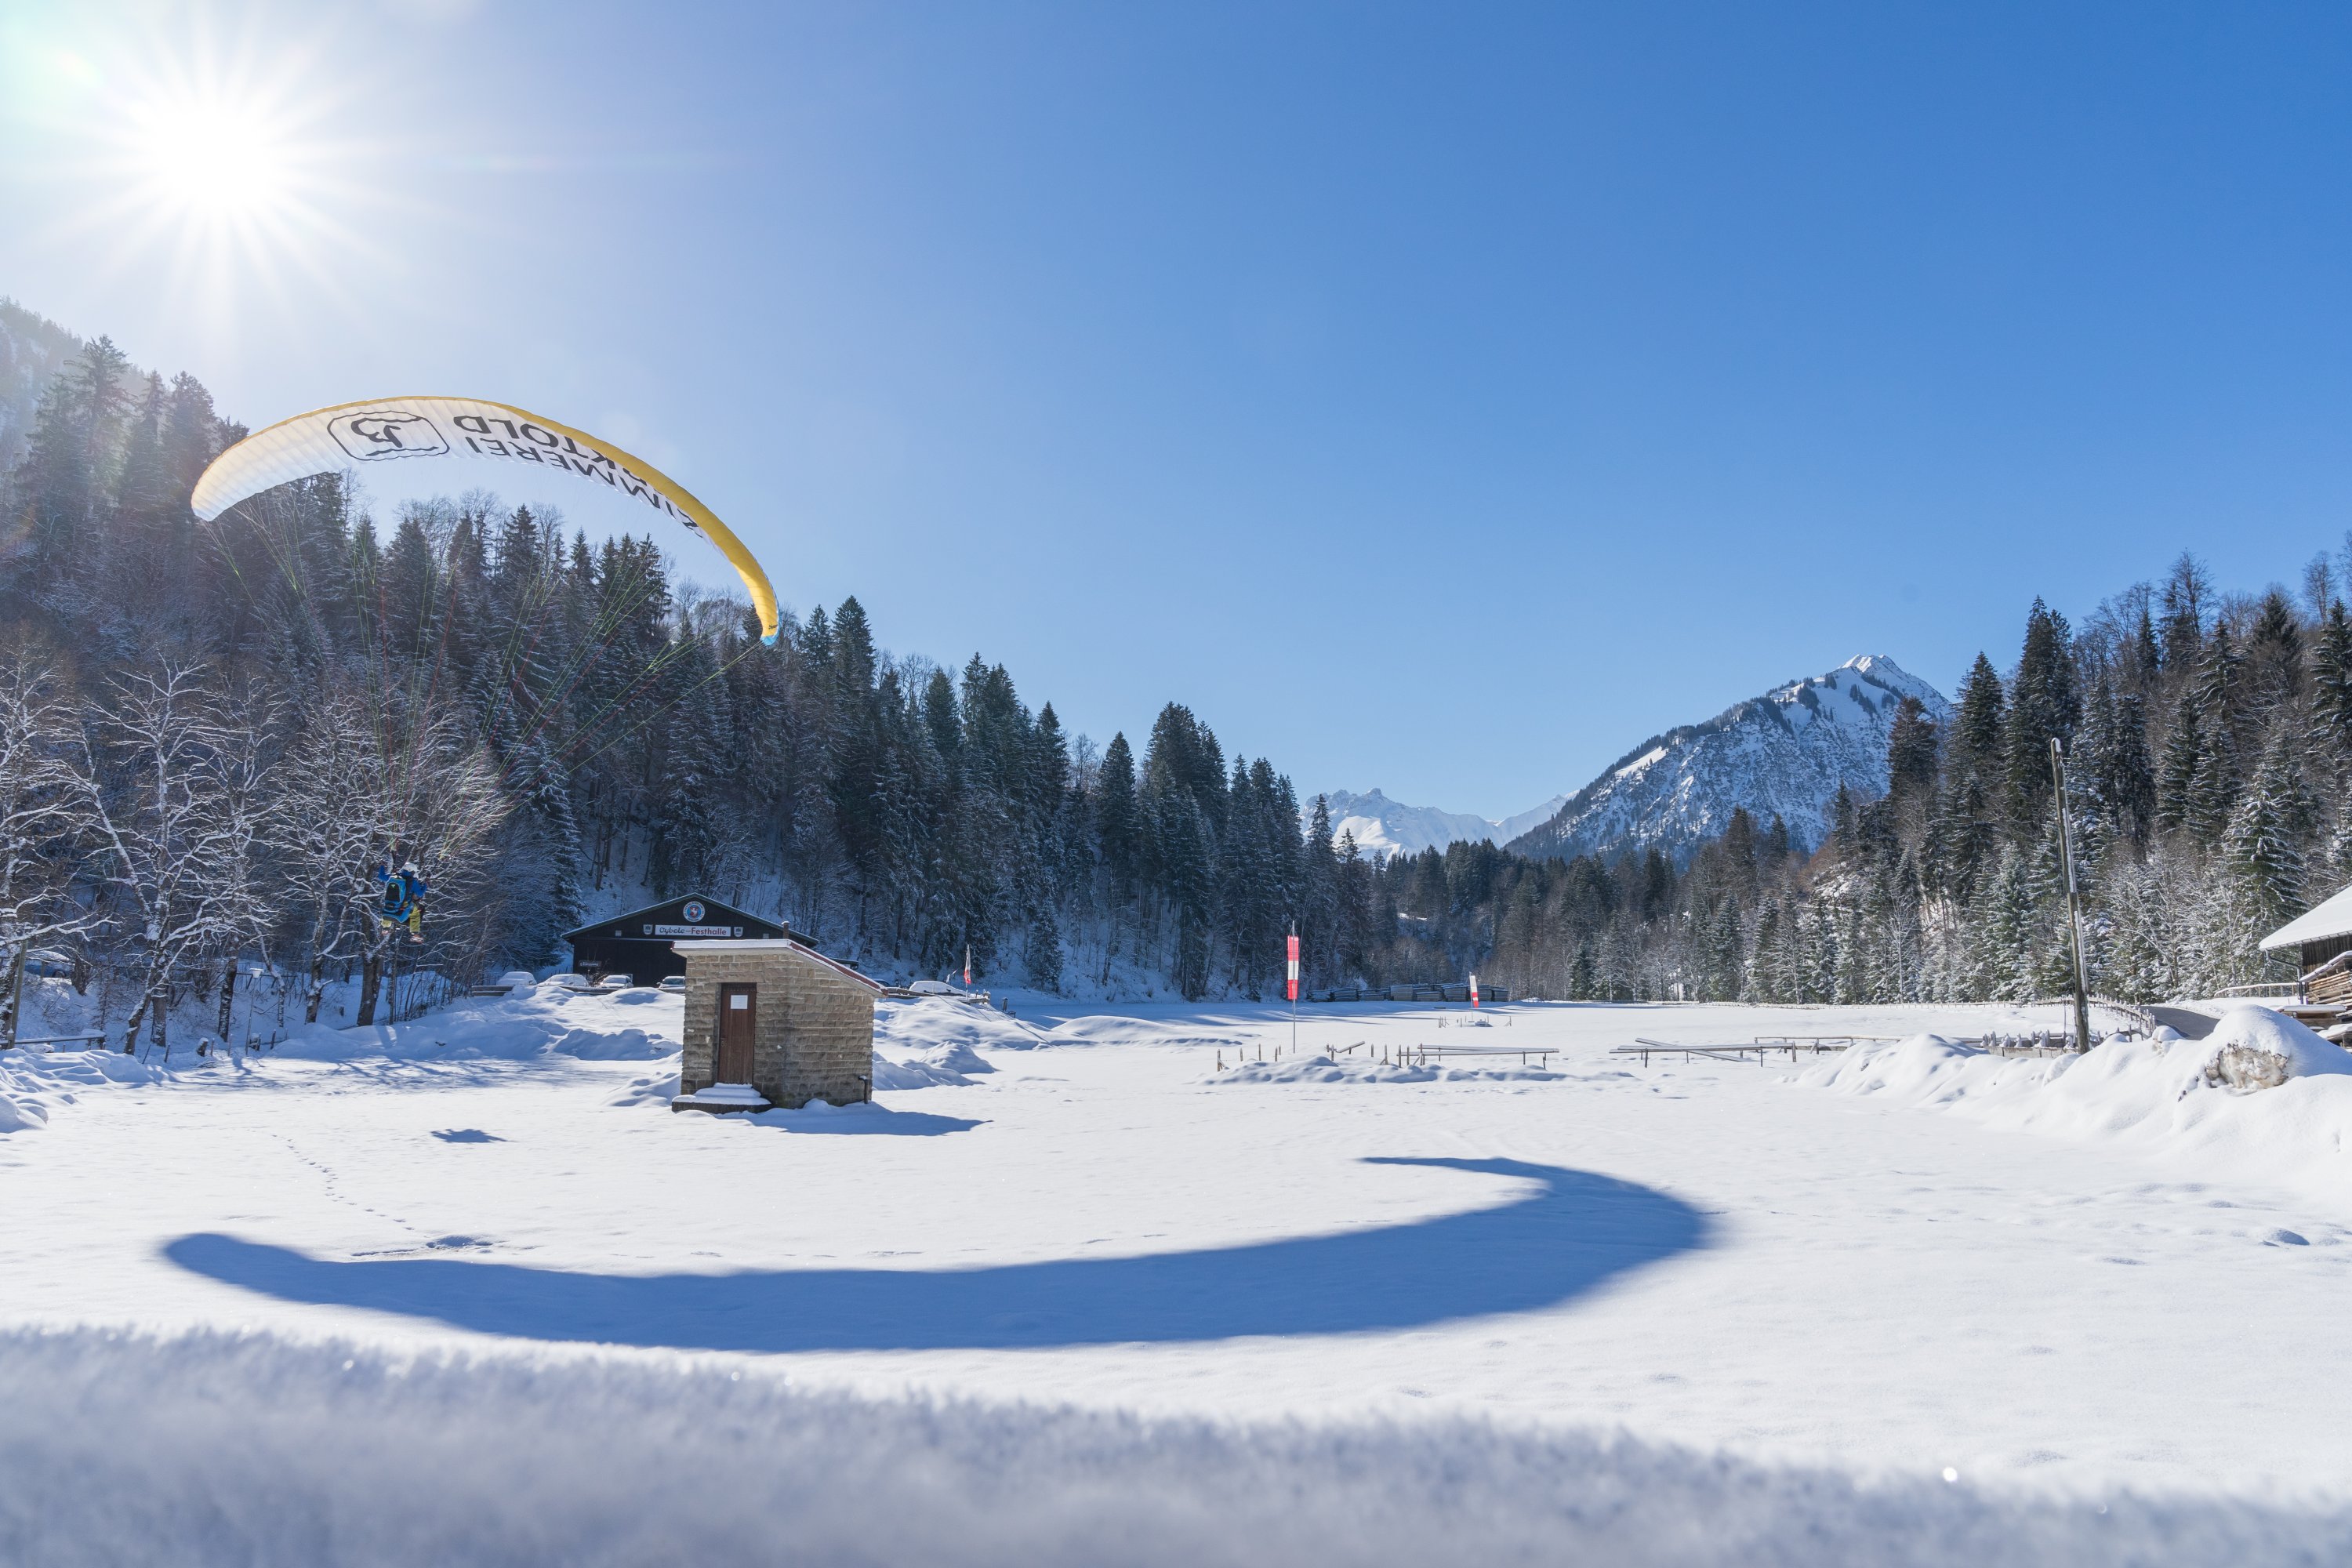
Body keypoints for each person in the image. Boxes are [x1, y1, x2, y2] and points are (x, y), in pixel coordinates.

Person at [373, 861, 429, 942]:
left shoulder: (393, 876)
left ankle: (385, 927)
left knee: (390, 905)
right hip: (401, 913)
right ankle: (415, 933)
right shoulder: (412, 881)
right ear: (411, 871)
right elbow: (420, 894)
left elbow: (381, 876)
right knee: (417, 912)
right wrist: (425, 885)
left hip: (387, 912)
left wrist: (382, 866)